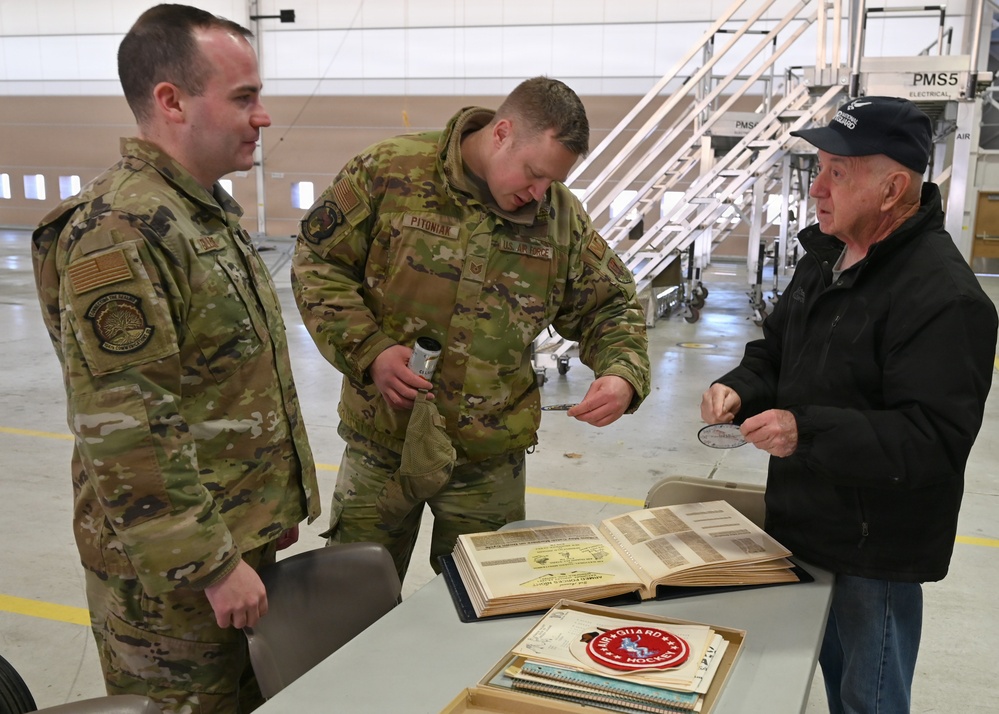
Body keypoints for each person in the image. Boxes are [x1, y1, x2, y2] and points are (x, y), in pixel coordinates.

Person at [31, 5, 320, 711]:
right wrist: (215, 564)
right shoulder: (122, 231)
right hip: (172, 580)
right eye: (244, 97)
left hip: (223, 543)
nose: (263, 116)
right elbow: (126, 430)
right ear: (171, 101)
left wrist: (264, 508)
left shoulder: (196, 214)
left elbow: (224, 389)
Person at [700, 96, 998, 714]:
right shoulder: (826, 259)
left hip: (876, 553)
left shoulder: (945, 299)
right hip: (806, 524)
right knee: (819, 683)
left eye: (838, 172)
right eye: (819, 169)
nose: (818, 190)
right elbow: (776, 352)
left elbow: (931, 441)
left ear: (892, 189)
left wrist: (804, 430)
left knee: (869, 702)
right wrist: (742, 384)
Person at [291, 76, 651, 582]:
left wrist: (622, 372)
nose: (538, 193)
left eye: (553, 181)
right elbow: (317, 263)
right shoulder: (390, 171)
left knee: (482, 608)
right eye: (532, 174)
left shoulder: (559, 216)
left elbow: (610, 305)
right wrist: (369, 349)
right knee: (351, 601)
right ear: (501, 132)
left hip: (488, 461)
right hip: (382, 445)